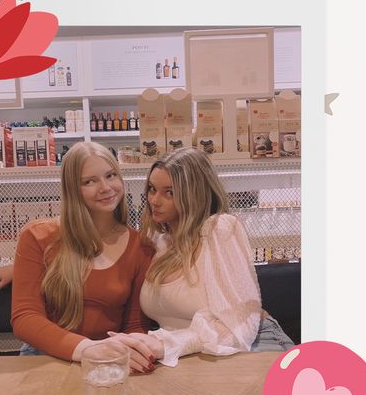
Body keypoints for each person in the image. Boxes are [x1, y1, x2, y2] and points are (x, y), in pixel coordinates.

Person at [106, 147, 295, 366]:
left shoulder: (219, 228)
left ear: (194, 194)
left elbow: (237, 326)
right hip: (196, 356)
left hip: (252, 345)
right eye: (152, 189)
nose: (154, 200)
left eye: (170, 192)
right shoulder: (158, 242)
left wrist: (166, 343)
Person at [6, 141, 155, 373]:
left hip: (109, 359)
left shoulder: (141, 246)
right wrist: (88, 349)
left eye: (110, 175)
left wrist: (127, 351)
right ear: (72, 189)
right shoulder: (37, 236)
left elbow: (135, 324)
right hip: (46, 358)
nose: (105, 187)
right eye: (89, 181)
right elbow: (25, 318)